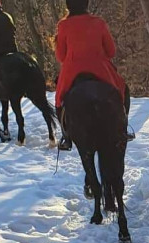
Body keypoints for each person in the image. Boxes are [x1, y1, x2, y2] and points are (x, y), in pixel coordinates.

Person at [55, 0, 131, 151]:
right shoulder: (99, 23)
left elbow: (61, 56)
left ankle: (66, 135)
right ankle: (122, 128)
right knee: (122, 89)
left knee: (59, 100)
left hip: (72, 70)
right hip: (100, 68)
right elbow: (111, 51)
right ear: (87, 4)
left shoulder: (63, 25)